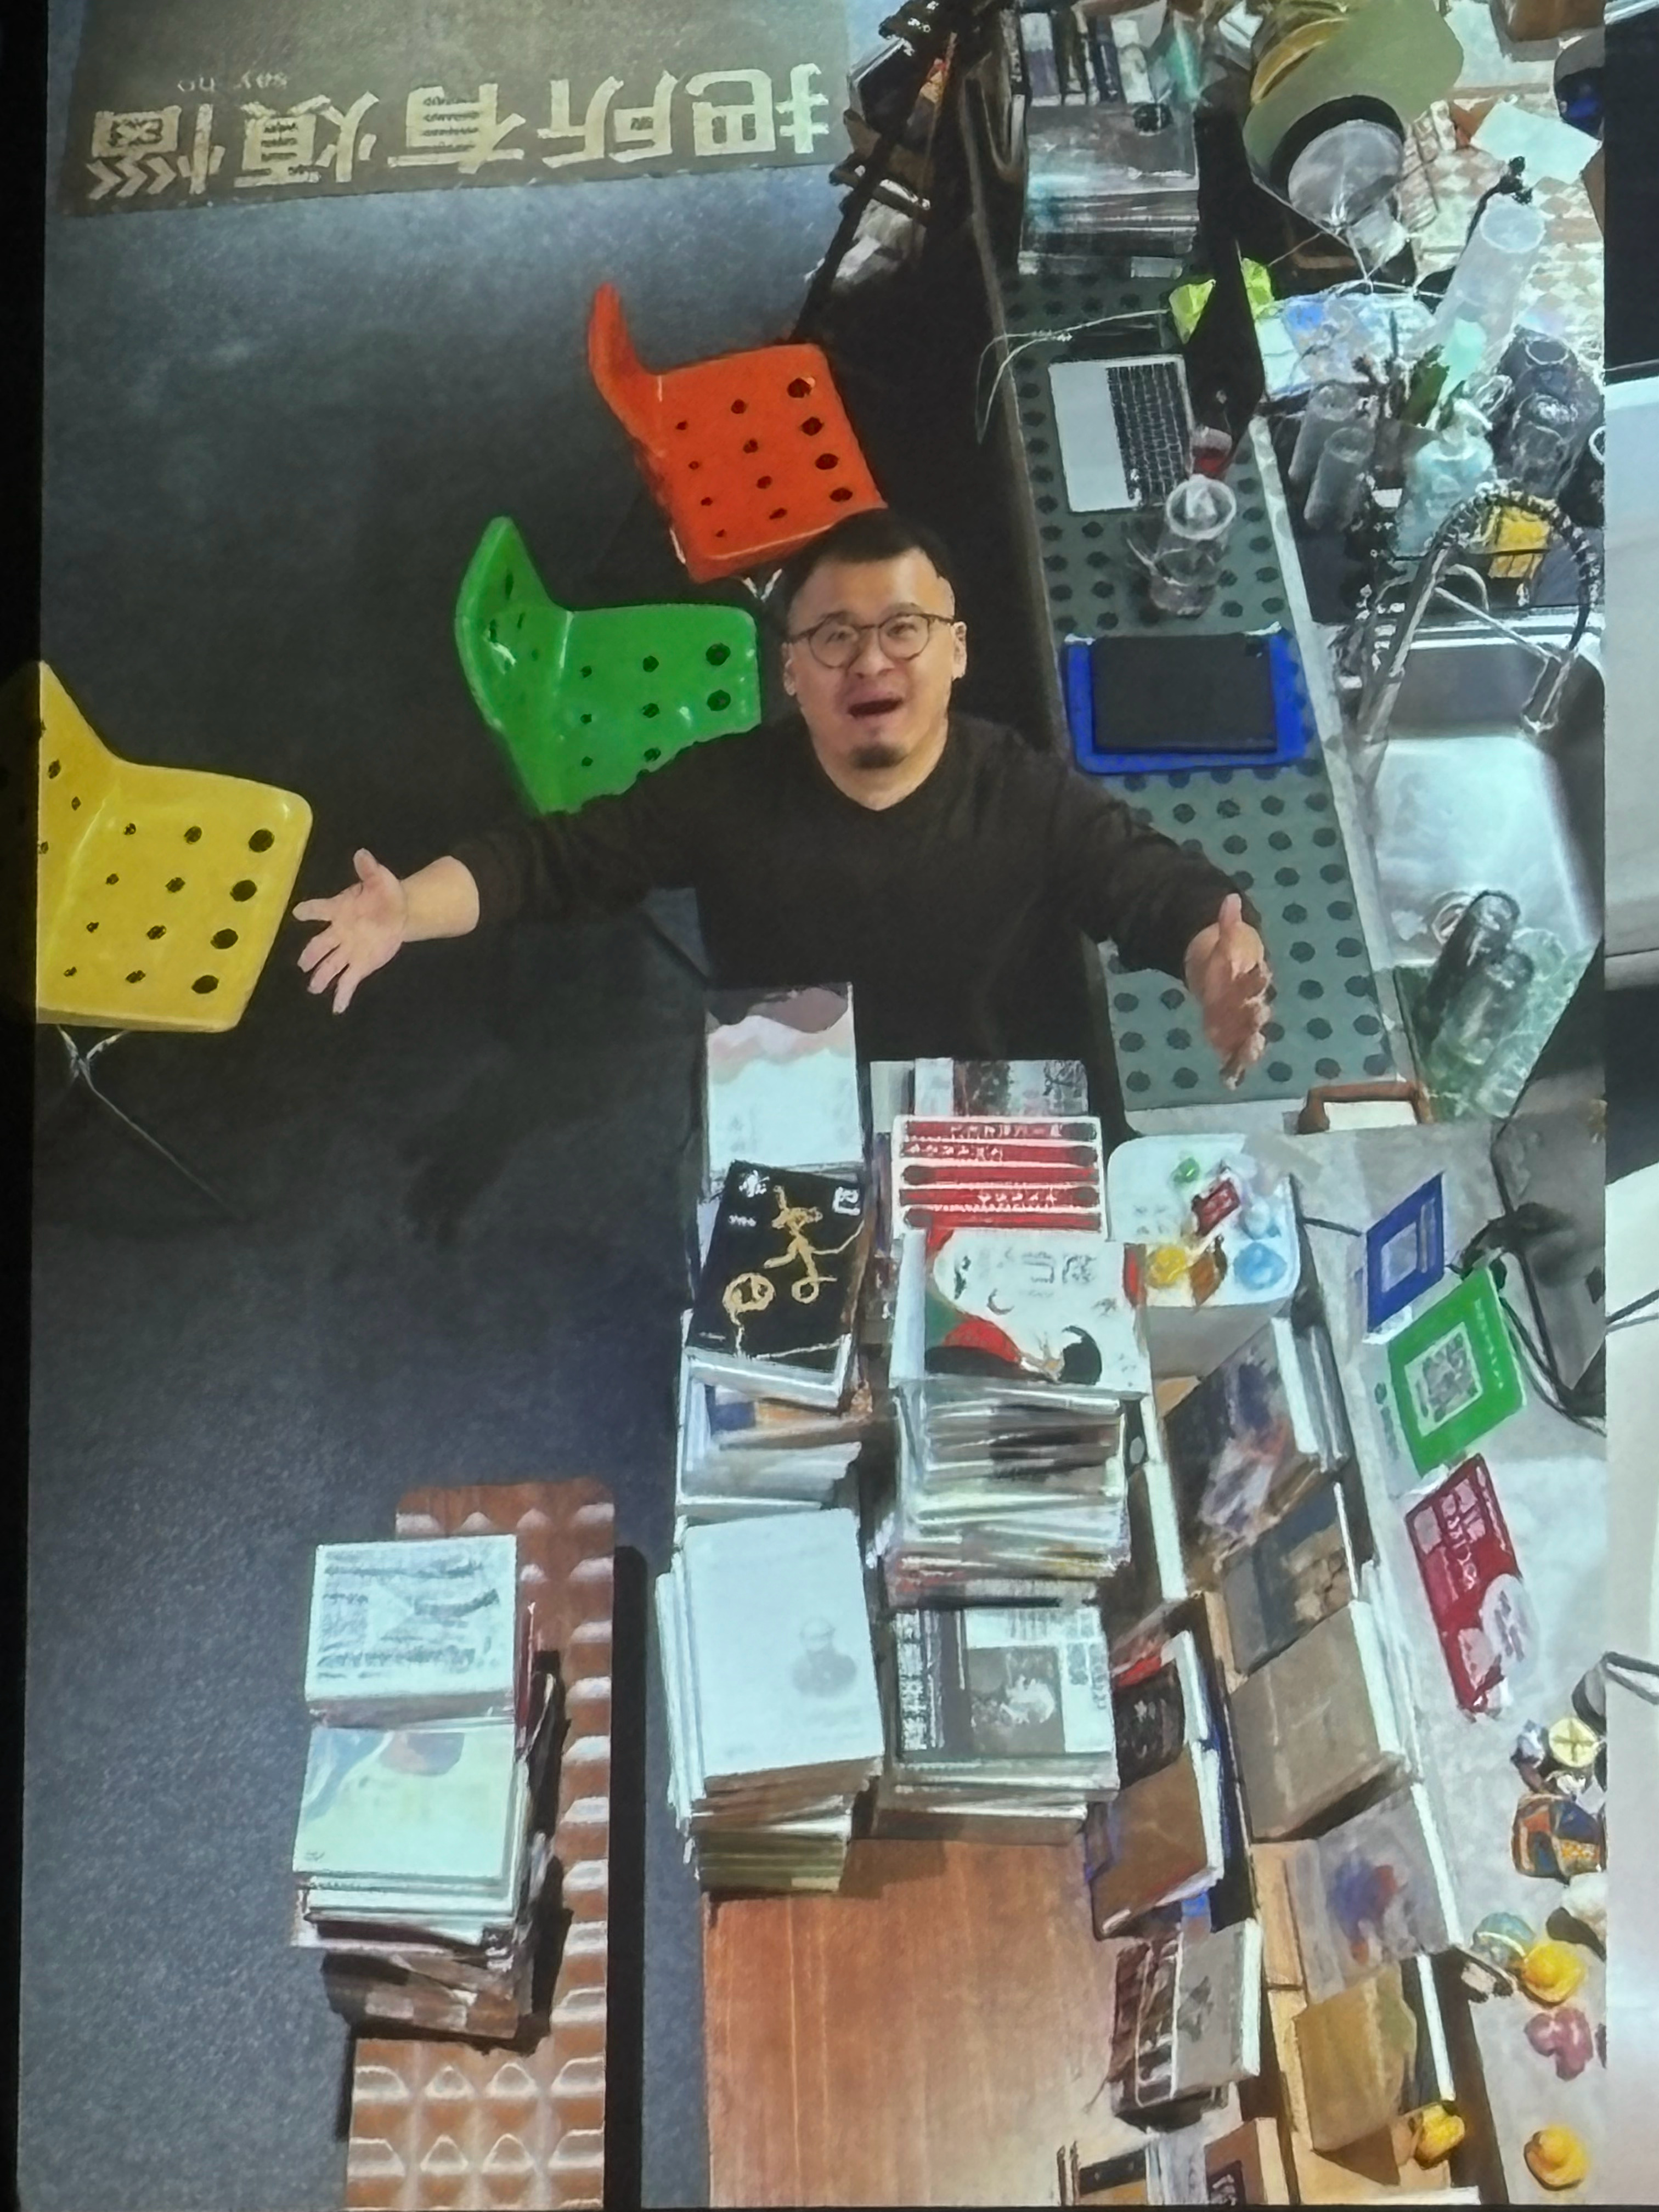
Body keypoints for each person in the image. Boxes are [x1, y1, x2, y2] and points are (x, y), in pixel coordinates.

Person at [295, 509, 1271, 1080]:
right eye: (835, 638)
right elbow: (556, 861)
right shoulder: (724, 790)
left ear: (958, 652)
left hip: (965, 1066)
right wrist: (406, 908)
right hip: (780, 1048)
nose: (871, 662)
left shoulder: (1022, 794)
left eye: (904, 629)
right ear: (793, 673)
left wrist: (1211, 960)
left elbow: (1152, 888)